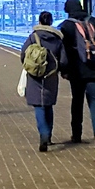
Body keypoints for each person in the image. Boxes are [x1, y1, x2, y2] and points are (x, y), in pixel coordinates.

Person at [59, 0, 95, 149]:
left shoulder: (66, 26)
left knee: (77, 103)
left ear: (67, 9)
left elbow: (64, 52)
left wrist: (64, 71)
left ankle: (76, 135)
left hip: (76, 73)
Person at [21, 11, 67, 152]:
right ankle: (49, 136)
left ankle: (43, 133)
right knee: (48, 105)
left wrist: (30, 67)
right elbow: (64, 60)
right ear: (51, 22)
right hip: (51, 76)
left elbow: (23, 54)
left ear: (40, 21)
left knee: (39, 106)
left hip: (35, 76)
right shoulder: (58, 39)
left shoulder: (33, 37)